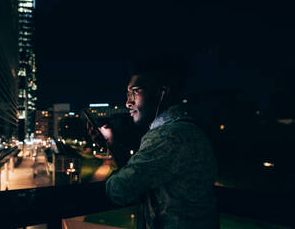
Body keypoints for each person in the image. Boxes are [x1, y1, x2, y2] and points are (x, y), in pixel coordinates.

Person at [90, 54, 219, 228]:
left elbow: (119, 190)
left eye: (135, 91)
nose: (128, 102)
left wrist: (113, 177)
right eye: (128, 94)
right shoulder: (185, 129)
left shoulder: (168, 136)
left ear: (162, 93)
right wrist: (111, 142)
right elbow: (140, 180)